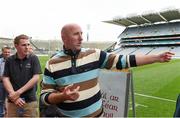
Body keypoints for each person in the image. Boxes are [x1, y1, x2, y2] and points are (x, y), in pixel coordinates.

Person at [40, 23, 174, 117]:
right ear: (64, 38)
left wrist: (155, 57)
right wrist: (62, 96)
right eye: (76, 34)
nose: (81, 38)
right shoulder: (52, 63)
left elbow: (124, 61)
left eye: (81, 33)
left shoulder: (95, 54)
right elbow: (44, 97)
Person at [2, 34, 42, 117]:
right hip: (13, 101)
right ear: (16, 46)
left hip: (29, 101)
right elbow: (5, 78)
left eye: (28, 44)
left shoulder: (33, 58)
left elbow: (36, 78)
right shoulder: (9, 60)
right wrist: (13, 95)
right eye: (24, 45)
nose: (27, 47)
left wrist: (18, 93)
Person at [0, 46, 11, 117]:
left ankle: (10, 113)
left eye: (8, 52)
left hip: (10, 83)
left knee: (11, 99)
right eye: (5, 52)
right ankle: (1, 114)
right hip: (0, 83)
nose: (7, 53)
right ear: (2, 52)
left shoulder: (13, 60)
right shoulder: (0, 61)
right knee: (1, 100)